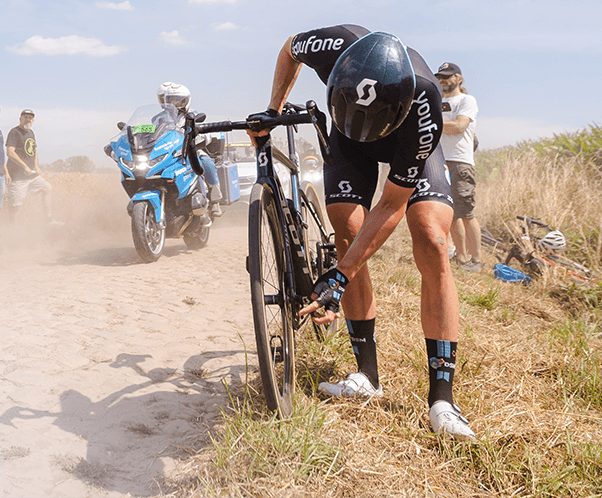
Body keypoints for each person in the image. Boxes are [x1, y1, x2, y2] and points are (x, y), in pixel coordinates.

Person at [250, 25, 475, 440]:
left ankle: (442, 399)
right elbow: (289, 49)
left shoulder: (425, 100)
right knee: (348, 230)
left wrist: (339, 275)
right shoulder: (332, 44)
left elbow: (391, 204)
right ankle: (366, 375)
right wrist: (275, 106)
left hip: (405, 142)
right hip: (348, 141)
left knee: (431, 236)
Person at [435, 62, 482, 272]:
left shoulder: (466, 100)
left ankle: (476, 259)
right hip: (439, 161)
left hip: (460, 162)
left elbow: (459, 126)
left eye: (447, 76)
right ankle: (462, 259)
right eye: (441, 77)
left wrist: (431, 124)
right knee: (451, 213)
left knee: (466, 213)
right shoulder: (437, 102)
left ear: (459, 79)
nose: (443, 80)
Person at [157, 82, 223, 218]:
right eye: (171, 100)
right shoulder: (160, 118)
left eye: (178, 100)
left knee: (207, 163)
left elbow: (204, 131)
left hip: (191, 150)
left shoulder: (193, 114)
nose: (174, 103)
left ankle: (215, 200)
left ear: (186, 100)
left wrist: (202, 137)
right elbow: (153, 134)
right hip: (170, 152)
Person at [5, 109, 60, 225]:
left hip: (31, 175)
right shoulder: (15, 132)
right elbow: (10, 152)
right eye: (25, 117)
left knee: (47, 188)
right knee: (15, 206)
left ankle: (48, 220)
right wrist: (24, 166)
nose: (28, 120)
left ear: (33, 120)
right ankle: (12, 230)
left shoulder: (31, 133)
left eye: (30, 118)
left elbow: (34, 151)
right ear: (20, 119)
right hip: (17, 177)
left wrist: (36, 166)